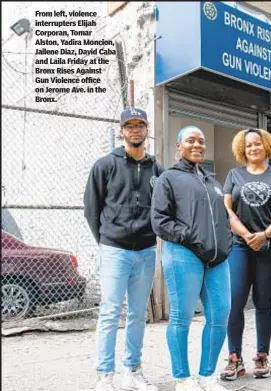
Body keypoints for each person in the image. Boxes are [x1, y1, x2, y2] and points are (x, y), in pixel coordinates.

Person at [84, 107, 164, 391]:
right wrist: (108, 239)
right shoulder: (105, 165)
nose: (135, 130)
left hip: (145, 250)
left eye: (140, 125)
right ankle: (105, 375)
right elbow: (92, 209)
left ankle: (133, 371)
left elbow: (165, 207)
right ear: (121, 131)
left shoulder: (157, 169)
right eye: (129, 126)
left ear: (146, 129)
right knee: (110, 311)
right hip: (114, 250)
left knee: (137, 314)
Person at [151, 126, 232, 391]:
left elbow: (222, 218)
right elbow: (159, 220)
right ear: (178, 147)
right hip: (183, 253)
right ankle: (183, 379)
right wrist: (189, 236)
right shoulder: (168, 178)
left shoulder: (212, 182)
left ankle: (207, 376)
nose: (197, 145)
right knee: (181, 316)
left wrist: (226, 241)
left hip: (217, 259)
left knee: (220, 314)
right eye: (190, 140)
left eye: (201, 141)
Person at [220, 128, 271, 381]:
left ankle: (262, 355)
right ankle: (234, 358)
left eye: (257, 144)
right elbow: (227, 209)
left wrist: (265, 235)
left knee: (264, 302)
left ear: (266, 146)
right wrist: (246, 234)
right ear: (242, 149)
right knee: (235, 301)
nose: (253, 148)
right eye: (248, 145)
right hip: (240, 245)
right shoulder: (233, 175)